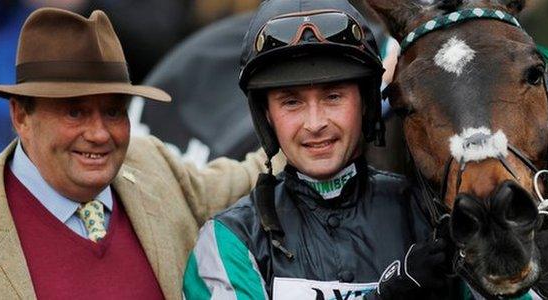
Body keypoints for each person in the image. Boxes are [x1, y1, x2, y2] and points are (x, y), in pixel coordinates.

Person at [0, 8, 282, 299]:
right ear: (20, 116)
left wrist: (307, 128)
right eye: (74, 112)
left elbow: (248, 180)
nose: (98, 134)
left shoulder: (151, 165)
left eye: (113, 112)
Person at [182, 0, 455, 299]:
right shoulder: (228, 242)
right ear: (267, 115)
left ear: (366, 102)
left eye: (333, 96)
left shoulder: (435, 216)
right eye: (291, 102)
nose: (315, 123)